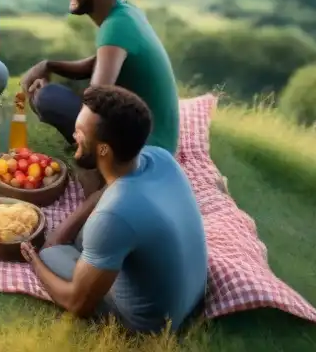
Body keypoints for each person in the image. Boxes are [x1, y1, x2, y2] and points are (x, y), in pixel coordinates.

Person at [21, 84, 208, 335]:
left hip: (149, 326)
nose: (74, 136)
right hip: (190, 295)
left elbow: (77, 303)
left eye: (79, 132)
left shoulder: (113, 214)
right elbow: (109, 197)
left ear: (103, 150)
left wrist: (34, 260)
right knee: (87, 234)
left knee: (50, 254)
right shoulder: (160, 158)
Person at [21, 0, 179, 163]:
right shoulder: (125, 12)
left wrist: (41, 98)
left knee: (48, 98)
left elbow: (96, 101)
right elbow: (98, 63)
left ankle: (94, 160)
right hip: (157, 136)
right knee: (66, 89)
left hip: (148, 149)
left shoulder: (114, 28)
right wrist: (49, 66)